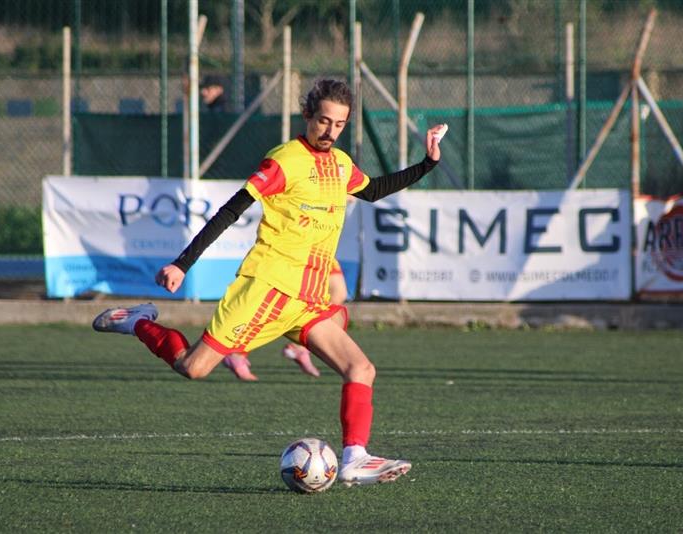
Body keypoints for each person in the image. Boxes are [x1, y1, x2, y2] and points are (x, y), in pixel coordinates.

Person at [93, 79, 443, 487]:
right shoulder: (284, 161)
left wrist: (428, 162)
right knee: (193, 368)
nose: (330, 131)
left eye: (340, 124)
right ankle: (137, 321)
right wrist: (182, 263)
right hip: (266, 288)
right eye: (324, 121)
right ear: (307, 116)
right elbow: (230, 210)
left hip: (308, 297)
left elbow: (375, 190)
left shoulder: (342, 164)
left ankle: (354, 457)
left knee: (361, 368)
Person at [222, 262, 348, 381]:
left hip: (321, 245)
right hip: (296, 245)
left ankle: (299, 348)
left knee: (336, 293)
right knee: (277, 299)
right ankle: (237, 351)